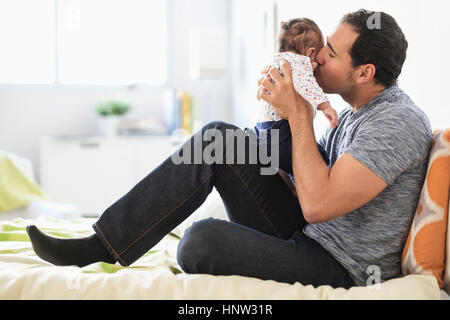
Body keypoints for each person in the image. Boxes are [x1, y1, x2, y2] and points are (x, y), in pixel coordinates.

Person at [27, 9, 432, 289]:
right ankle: (104, 243)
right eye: (323, 46)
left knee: (199, 242)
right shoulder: (352, 112)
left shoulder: (395, 122)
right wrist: (273, 123)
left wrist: (299, 115)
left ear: (365, 72)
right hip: (309, 231)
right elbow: (304, 179)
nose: (318, 58)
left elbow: (317, 204)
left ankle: (115, 242)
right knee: (219, 138)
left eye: (331, 53)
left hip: (337, 264)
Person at [255, 17, 338, 176]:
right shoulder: (300, 64)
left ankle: (292, 184)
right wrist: (325, 106)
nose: (319, 62)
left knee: (288, 164)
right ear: (310, 53)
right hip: (281, 132)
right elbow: (308, 84)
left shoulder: (276, 62)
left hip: (263, 131)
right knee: (321, 159)